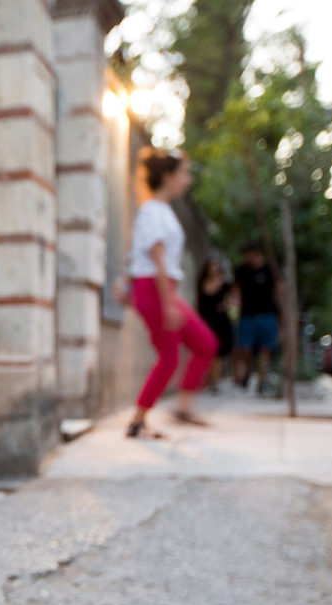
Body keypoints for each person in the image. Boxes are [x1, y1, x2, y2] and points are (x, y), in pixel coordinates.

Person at [124, 148, 218, 438]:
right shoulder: (153, 210)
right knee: (169, 358)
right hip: (156, 289)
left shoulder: (160, 211)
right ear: (168, 176)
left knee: (204, 344)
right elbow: (157, 257)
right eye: (184, 173)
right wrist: (168, 304)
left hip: (160, 289)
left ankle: (182, 407)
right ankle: (138, 420)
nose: (187, 180)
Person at [231, 241, 280, 393]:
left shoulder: (269, 270)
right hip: (247, 315)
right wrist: (235, 304)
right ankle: (247, 372)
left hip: (267, 314)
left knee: (265, 350)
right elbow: (236, 290)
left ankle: (262, 380)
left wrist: (281, 314)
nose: (247, 257)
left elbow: (279, 290)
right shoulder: (241, 271)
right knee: (245, 348)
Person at [196, 256, 234, 392]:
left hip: (220, 322)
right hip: (205, 321)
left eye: (216, 265)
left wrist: (227, 306)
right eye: (212, 265)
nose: (214, 268)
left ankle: (214, 384)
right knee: (205, 352)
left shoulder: (225, 284)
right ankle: (205, 381)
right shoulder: (201, 283)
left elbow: (235, 300)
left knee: (217, 355)